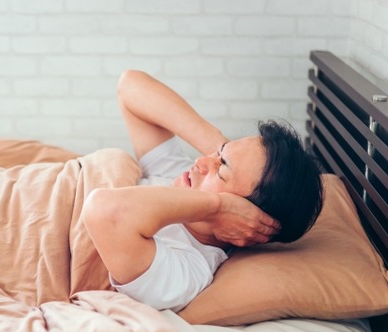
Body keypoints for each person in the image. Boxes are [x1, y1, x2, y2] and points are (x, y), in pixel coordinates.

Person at [83, 70, 324, 312]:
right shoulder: (182, 177)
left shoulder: (187, 271)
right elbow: (130, 86)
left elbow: (104, 211)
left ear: (246, 217)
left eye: (221, 170)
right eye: (217, 154)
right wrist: (222, 148)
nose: (200, 161)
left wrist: (218, 208)